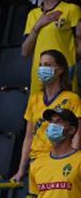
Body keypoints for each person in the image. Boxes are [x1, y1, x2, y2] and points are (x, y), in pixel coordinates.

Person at [15, 48, 80, 185]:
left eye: (48, 65)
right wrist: (21, 169)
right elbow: (29, 136)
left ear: (60, 70)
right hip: (36, 162)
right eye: (41, 65)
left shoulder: (72, 98)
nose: (43, 69)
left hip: (59, 160)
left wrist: (71, 158)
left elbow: (78, 133)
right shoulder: (34, 98)